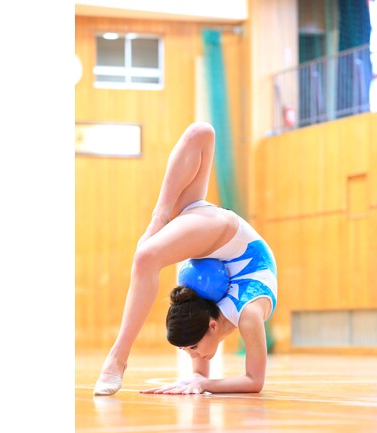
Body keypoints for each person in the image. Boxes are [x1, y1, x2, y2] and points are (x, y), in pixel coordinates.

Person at [94, 122, 277, 396]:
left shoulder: (206, 314)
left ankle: (118, 356)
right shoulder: (244, 314)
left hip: (221, 240)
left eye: (191, 348)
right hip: (229, 241)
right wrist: (198, 381)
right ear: (213, 326)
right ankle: (161, 216)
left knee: (145, 257)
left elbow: (253, 381)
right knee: (201, 134)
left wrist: (201, 382)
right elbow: (252, 380)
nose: (195, 356)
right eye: (189, 349)